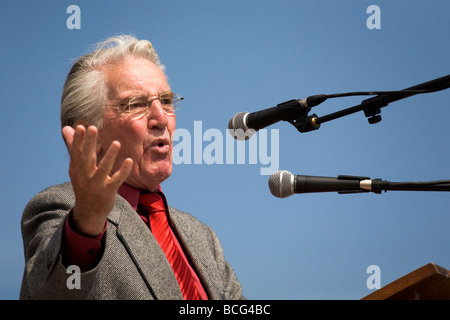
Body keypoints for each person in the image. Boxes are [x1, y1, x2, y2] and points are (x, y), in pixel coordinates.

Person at [20, 35, 244, 300]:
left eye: (167, 100)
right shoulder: (62, 208)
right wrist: (87, 221)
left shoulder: (202, 237)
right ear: (89, 133)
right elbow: (53, 292)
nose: (161, 118)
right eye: (136, 104)